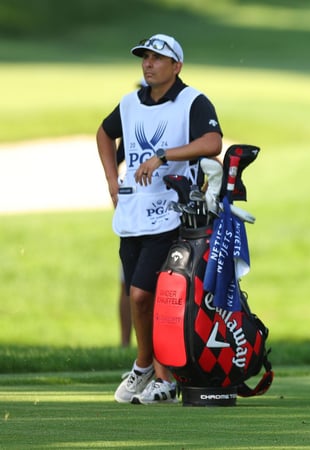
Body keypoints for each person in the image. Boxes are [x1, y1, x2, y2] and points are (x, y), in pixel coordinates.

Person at [96, 33, 223, 404]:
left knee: (144, 293)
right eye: (145, 58)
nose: (148, 64)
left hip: (172, 212)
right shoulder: (129, 103)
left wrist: (165, 155)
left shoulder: (192, 101)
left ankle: (145, 365)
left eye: (157, 58)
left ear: (176, 66)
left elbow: (212, 142)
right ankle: (159, 375)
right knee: (139, 297)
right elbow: (105, 134)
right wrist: (110, 179)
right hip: (133, 212)